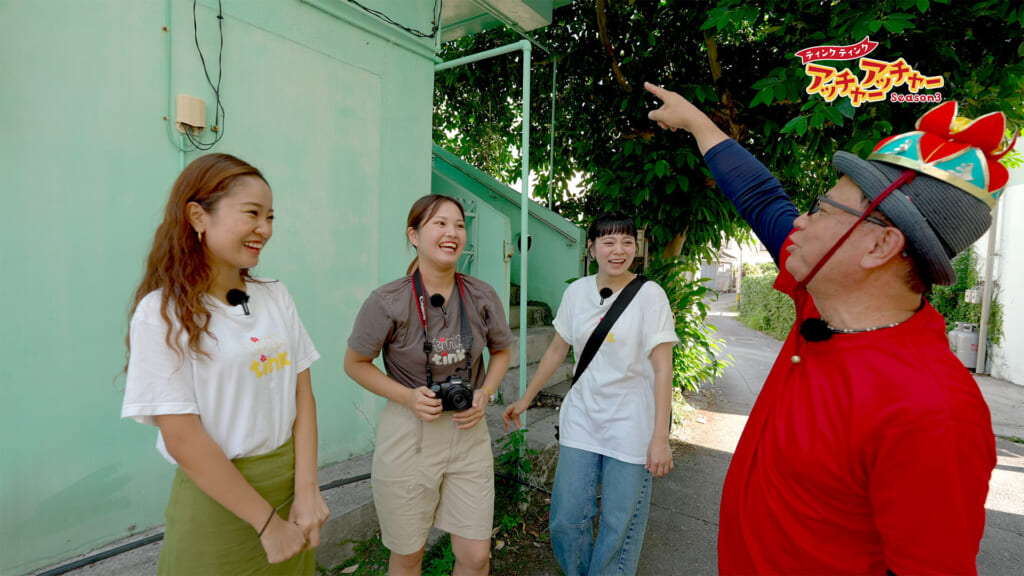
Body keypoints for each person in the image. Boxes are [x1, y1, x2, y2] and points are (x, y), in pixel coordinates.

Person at [646, 83, 1007, 574]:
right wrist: (696, 123)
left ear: (880, 246)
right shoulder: (817, 299)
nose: (799, 221)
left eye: (820, 208)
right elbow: (759, 196)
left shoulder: (931, 412)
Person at [121, 153, 329, 574]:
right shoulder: (162, 312)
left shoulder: (274, 295)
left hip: (290, 491)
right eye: (252, 213)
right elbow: (182, 438)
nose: (265, 229)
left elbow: (302, 396)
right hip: (219, 501)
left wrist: (307, 490)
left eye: (270, 217)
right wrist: (267, 524)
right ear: (198, 216)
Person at [344, 194, 514, 576]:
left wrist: (485, 392)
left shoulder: (482, 295)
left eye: (458, 224)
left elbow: (502, 350)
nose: (452, 232)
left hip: (468, 432)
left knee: (475, 556)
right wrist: (407, 396)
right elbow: (354, 363)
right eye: (439, 223)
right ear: (414, 235)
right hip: (409, 433)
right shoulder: (388, 300)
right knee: (408, 557)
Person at [503, 210, 679, 576]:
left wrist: (660, 437)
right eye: (609, 241)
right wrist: (526, 397)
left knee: (618, 525)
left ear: (637, 247)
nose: (619, 250)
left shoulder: (650, 296)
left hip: (631, 423)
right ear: (593, 247)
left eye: (627, 241)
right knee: (566, 519)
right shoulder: (577, 292)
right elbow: (556, 350)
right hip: (582, 417)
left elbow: (663, 368)